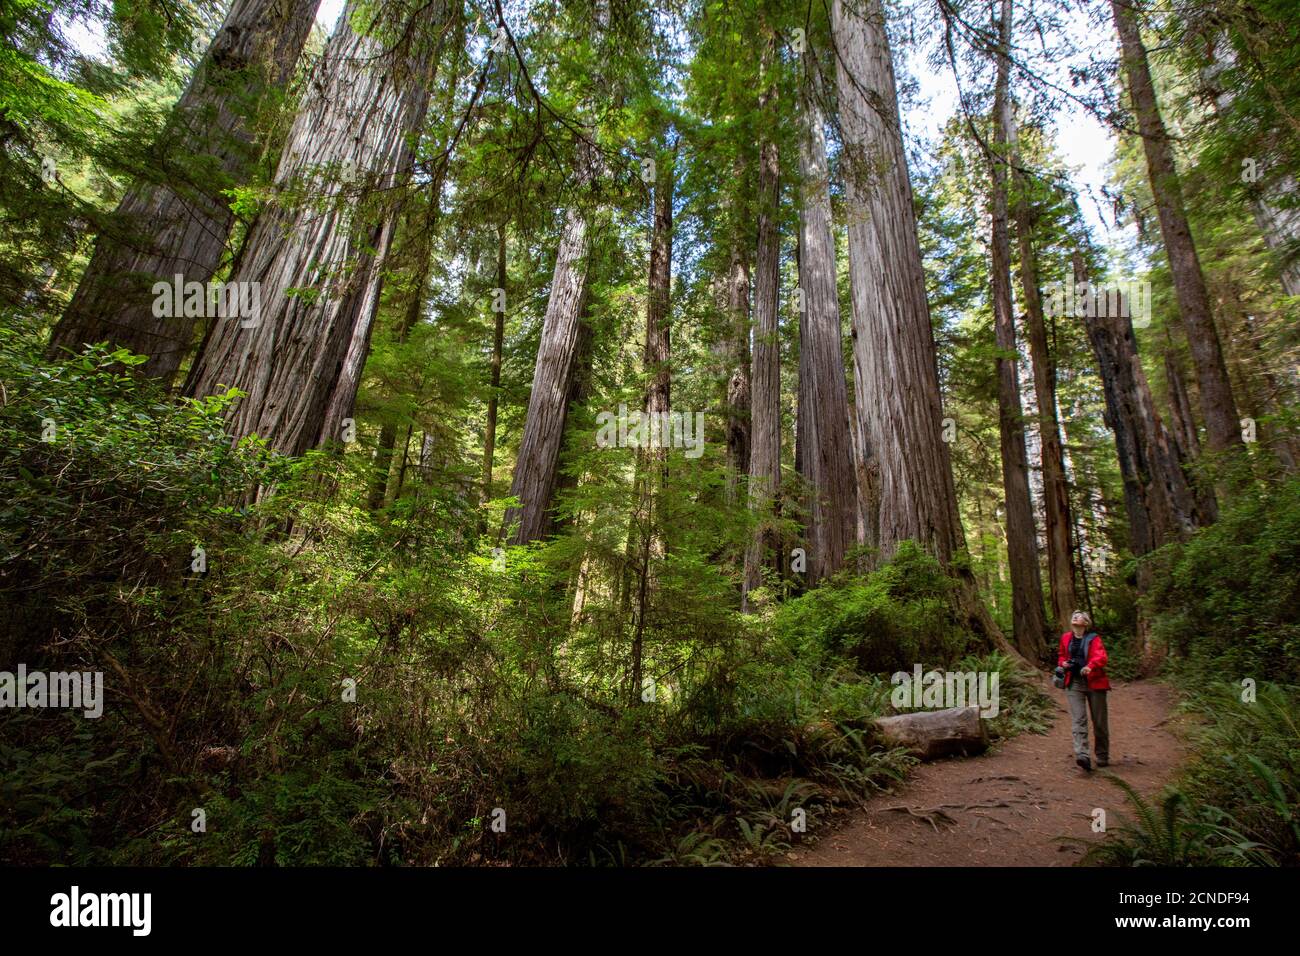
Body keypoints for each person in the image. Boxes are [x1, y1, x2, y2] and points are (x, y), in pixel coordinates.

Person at [1058, 610, 1110, 771]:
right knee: (1078, 719)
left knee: (1099, 721)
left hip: (1094, 682)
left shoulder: (1094, 639)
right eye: (1073, 614)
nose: (1075, 616)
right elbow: (1061, 655)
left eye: (1079, 615)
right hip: (1074, 683)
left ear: (1086, 623)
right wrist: (1063, 663)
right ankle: (1082, 755)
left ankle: (1102, 754)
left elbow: (1101, 657)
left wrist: (1089, 666)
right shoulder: (1065, 638)